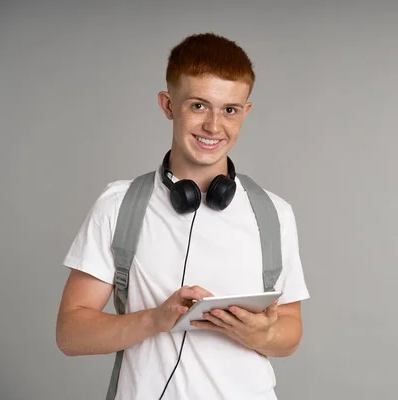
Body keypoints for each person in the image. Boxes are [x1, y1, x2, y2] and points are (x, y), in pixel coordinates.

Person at [55, 32, 310, 399]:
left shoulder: (273, 214)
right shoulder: (118, 205)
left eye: (229, 110)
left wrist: (264, 335)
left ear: (245, 113)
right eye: (198, 105)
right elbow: (70, 335)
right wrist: (154, 320)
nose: (213, 126)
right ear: (168, 104)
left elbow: (290, 332)